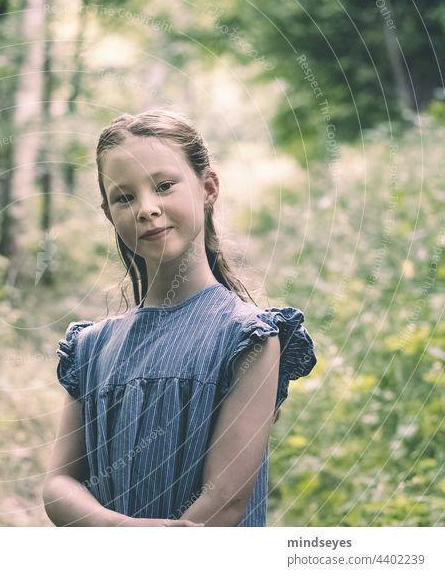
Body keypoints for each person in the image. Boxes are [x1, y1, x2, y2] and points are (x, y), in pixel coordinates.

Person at [42, 108, 317, 527]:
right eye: (124, 197)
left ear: (208, 187)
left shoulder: (249, 338)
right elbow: (59, 486)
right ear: (108, 213)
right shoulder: (90, 347)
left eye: (164, 186)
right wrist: (129, 533)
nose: (146, 208)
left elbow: (224, 502)